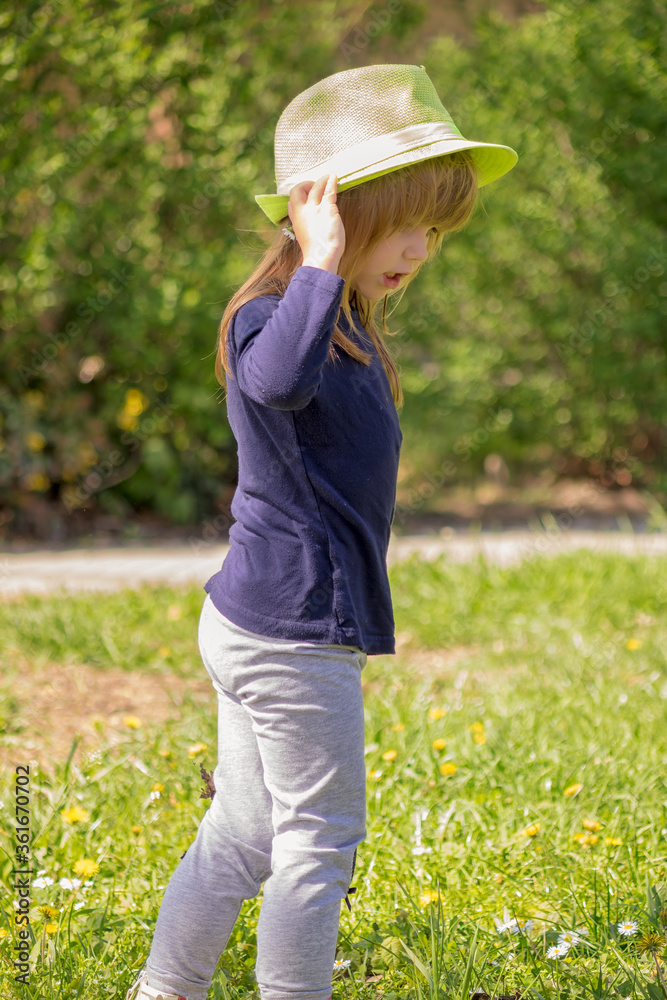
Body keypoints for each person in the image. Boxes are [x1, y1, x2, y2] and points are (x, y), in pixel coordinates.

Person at [126, 63, 518, 1000]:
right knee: (319, 839)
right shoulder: (280, 317)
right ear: (325, 217)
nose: (421, 249)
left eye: (437, 230)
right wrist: (316, 257)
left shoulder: (339, 319)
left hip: (261, 619)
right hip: (292, 632)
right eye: (407, 222)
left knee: (248, 833)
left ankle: (162, 990)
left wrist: (326, 275)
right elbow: (272, 385)